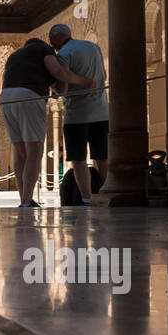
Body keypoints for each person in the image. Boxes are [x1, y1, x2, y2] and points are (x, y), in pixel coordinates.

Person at [0, 36, 95, 208]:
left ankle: (24, 199)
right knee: (34, 151)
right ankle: (26, 202)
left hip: (6, 97)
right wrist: (84, 81)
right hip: (28, 95)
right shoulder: (43, 50)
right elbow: (58, 74)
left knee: (21, 153)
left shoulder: (15, 56)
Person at [49, 23, 108, 204]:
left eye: (52, 41)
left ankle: (86, 198)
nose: (52, 45)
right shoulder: (94, 47)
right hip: (101, 111)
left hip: (77, 115)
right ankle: (107, 193)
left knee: (78, 158)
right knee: (102, 155)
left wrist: (53, 86)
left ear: (55, 39)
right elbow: (104, 76)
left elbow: (63, 90)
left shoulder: (64, 55)